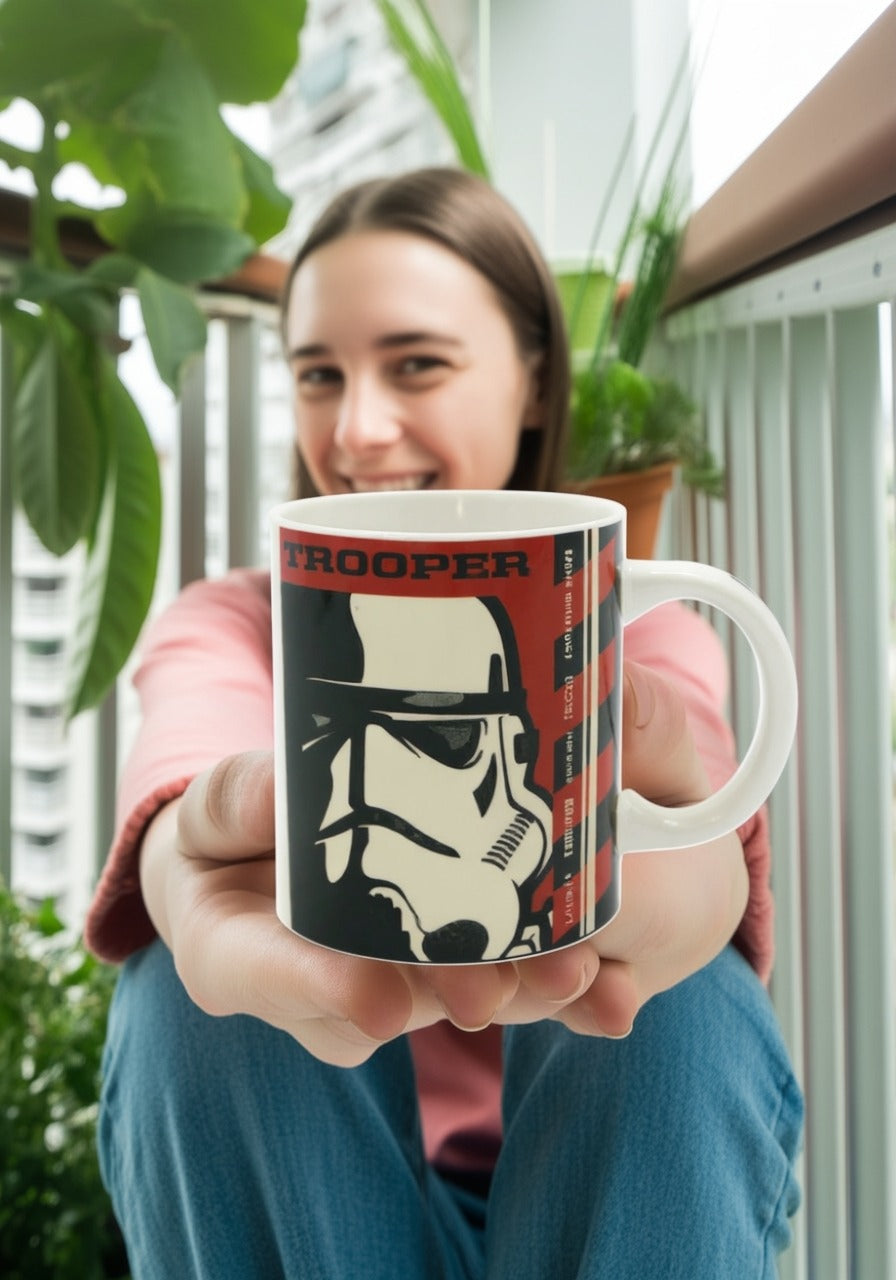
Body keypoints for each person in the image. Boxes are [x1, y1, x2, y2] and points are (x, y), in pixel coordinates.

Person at [87, 167, 803, 1279]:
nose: (358, 429)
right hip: (319, 1198)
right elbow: (188, 798)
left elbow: (695, 837)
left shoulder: (629, 632)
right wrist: (191, 870)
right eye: (319, 375)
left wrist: (686, 895)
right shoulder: (228, 627)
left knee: (685, 1000)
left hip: (596, 1204)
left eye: (416, 362)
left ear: (532, 379)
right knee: (188, 992)